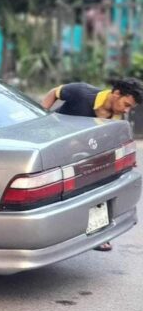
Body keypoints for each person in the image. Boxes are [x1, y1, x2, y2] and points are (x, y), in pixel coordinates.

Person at [41, 77, 143, 251]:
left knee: (100, 191)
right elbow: (53, 93)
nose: (126, 110)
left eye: (130, 108)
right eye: (126, 104)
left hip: (85, 154)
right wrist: (42, 117)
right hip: (56, 147)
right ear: (116, 93)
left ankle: (98, 235)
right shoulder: (81, 92)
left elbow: (118, 139)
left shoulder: (117, 117)